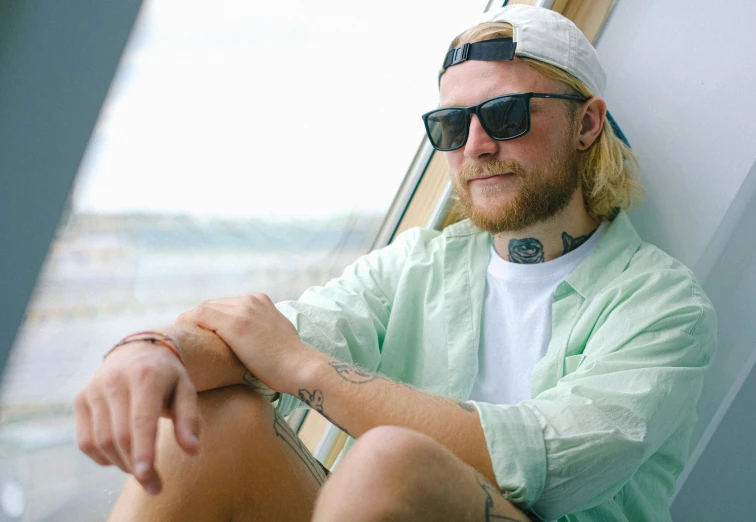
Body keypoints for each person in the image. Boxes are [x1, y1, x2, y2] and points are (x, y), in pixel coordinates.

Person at [74, 5, 717, 522]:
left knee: (391, 463)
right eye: (450, 126)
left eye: (506, 114)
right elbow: (260, 340)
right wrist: (149, 349)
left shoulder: (663, 306)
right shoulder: (422, 262)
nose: (477, 145)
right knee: (213, 421)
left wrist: (305, 368)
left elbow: (539, 465)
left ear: (587, 125)